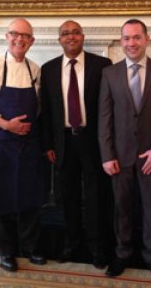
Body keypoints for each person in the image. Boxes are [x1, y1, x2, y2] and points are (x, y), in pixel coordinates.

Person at [98, 19, 151, 280]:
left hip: (150, 157)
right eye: (127, 38)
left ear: (147, 39)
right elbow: (104, 118)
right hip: (119, 156)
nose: (131, 43)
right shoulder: (109, 74)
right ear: (121, 42)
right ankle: (122, 253)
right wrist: (107, 155)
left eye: (136, 38)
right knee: (121, 207)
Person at [0, 18, 46, 272]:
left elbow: (39, 108)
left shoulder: (35, 70)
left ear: (32, 41)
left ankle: (31, 247)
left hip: (28, 146)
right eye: (15, 34)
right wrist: (6, 124)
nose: (20, 40)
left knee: (30, 199)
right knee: (0, 200)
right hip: (0, 145)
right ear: (7, 36)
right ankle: (6, 252)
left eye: (25, 36)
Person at [40, 20, 113, 269]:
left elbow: (108, 109)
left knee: (95, 196)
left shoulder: (102, 66)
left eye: (75, 32)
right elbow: (46, 111)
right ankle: (71, 243)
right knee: (67, 196)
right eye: (65, 33)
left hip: (92, 141)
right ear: (59, 40)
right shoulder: (48, 69)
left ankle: (97, 246)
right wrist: (48, 144)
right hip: (62, 141)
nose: (71, 37)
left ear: (83, 36)